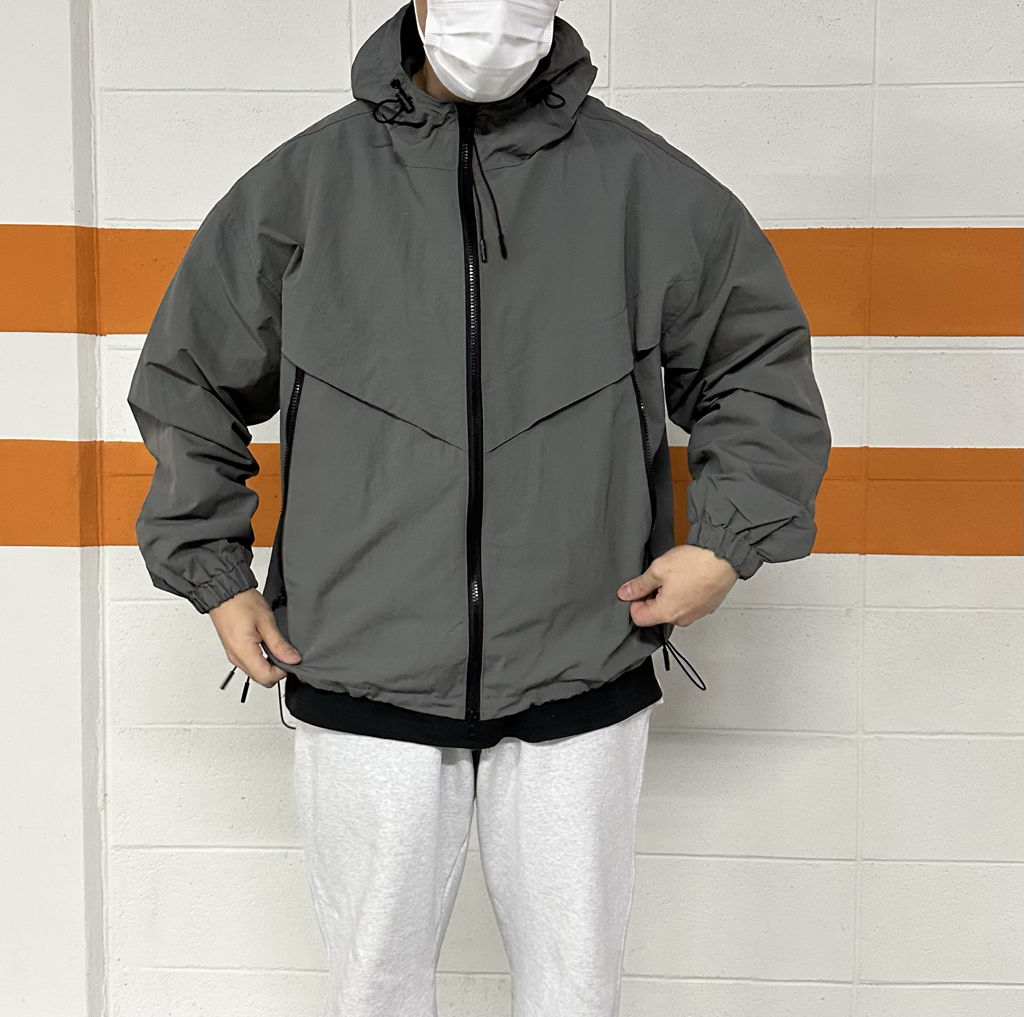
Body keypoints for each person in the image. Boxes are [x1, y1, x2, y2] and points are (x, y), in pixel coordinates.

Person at [126, 1, 831, 1014]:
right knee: (375, 986)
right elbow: (188, 375)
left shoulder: (642, 183)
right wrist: (215, 573)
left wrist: (724, 544)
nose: (496, 18)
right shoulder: (307, 186)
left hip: (581, 650)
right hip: (360, 654)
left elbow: (754, 361)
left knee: (574, 989)